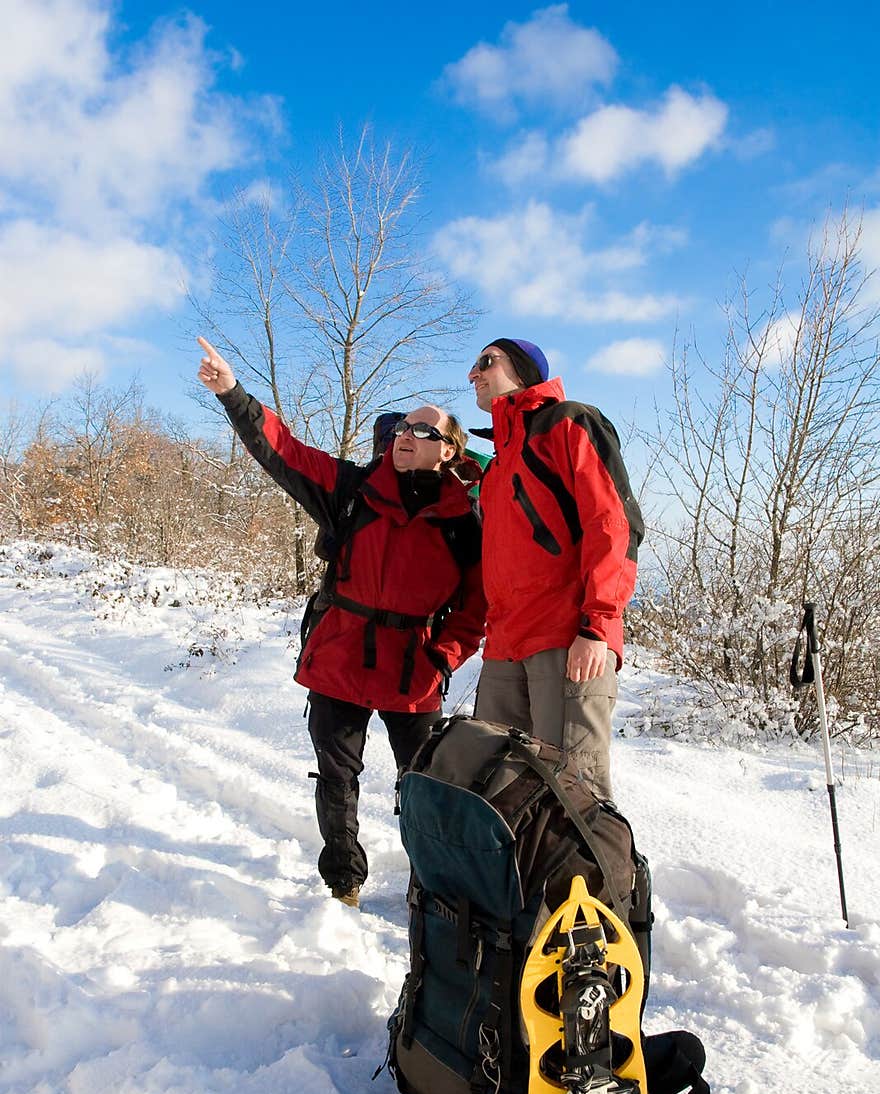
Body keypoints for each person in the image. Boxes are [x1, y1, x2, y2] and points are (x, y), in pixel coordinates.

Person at [197, 336, 486, 909]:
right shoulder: (352, 490)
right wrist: (233, 394)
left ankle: (429, 886)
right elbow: (284, 451)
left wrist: (443, 654)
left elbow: (478, 608)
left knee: (423, 786)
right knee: (336, 778)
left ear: (450, 451)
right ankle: (344, 881)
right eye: (403, 426)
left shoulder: (465, 520)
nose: (406, 434)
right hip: (340, 656)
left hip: (414, 668)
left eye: (424, 431)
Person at [467, 337, 644, 803]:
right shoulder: (499, 464)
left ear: (523, 370)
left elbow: (615, 526)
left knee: (574, 795)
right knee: (497, 789)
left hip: (568, 642)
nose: (474, 374)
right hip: (505, 647)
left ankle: (596, 879)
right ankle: (516, 880)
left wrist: (597, 626)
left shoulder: (568, 424)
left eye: (486, 362)